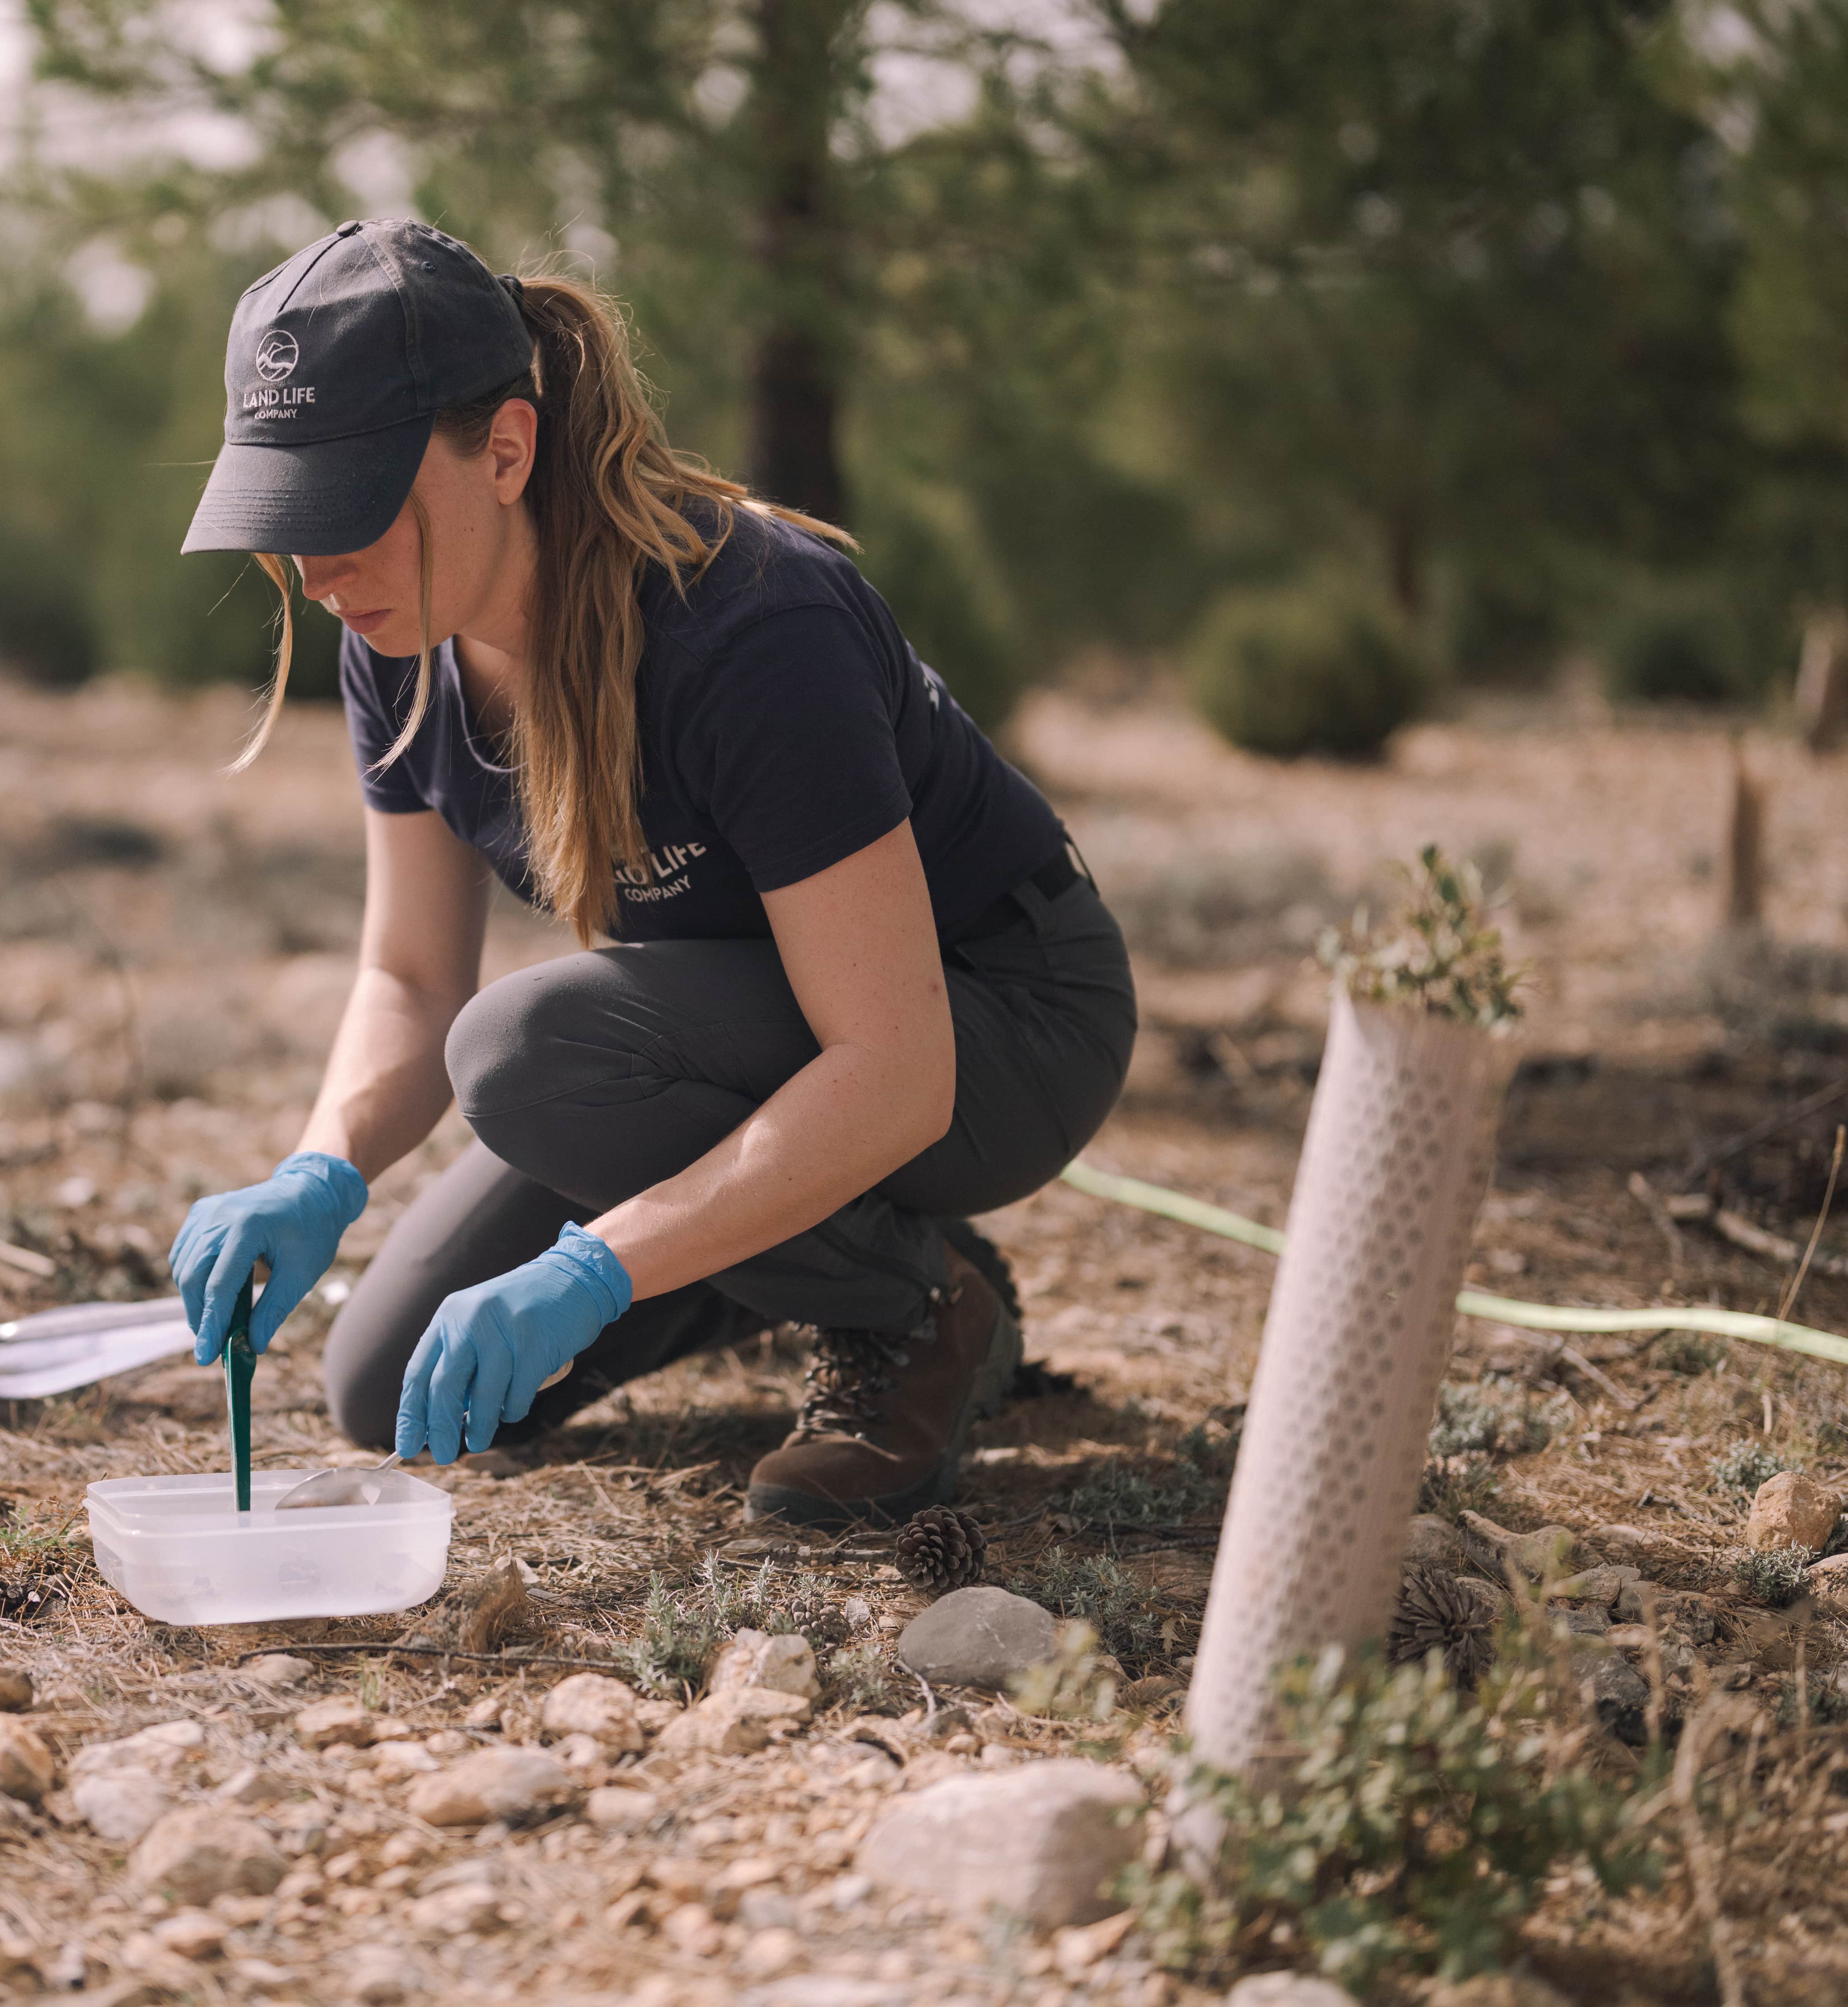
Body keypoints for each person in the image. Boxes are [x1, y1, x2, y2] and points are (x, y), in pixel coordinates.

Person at [166, 219, 1135, 1525]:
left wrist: (601, 1266)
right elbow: (408, 972)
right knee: (383, 1376)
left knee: (525, 1051)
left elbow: (897, 1070)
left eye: (350, 512)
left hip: (995, 1026)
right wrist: (318, 1169)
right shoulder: (396, 633)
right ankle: (821, 1247)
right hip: (766, 1044)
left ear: (505, 449)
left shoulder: (751, 622)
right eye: (286, 517)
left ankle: (914, 1306)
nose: (318, 572)